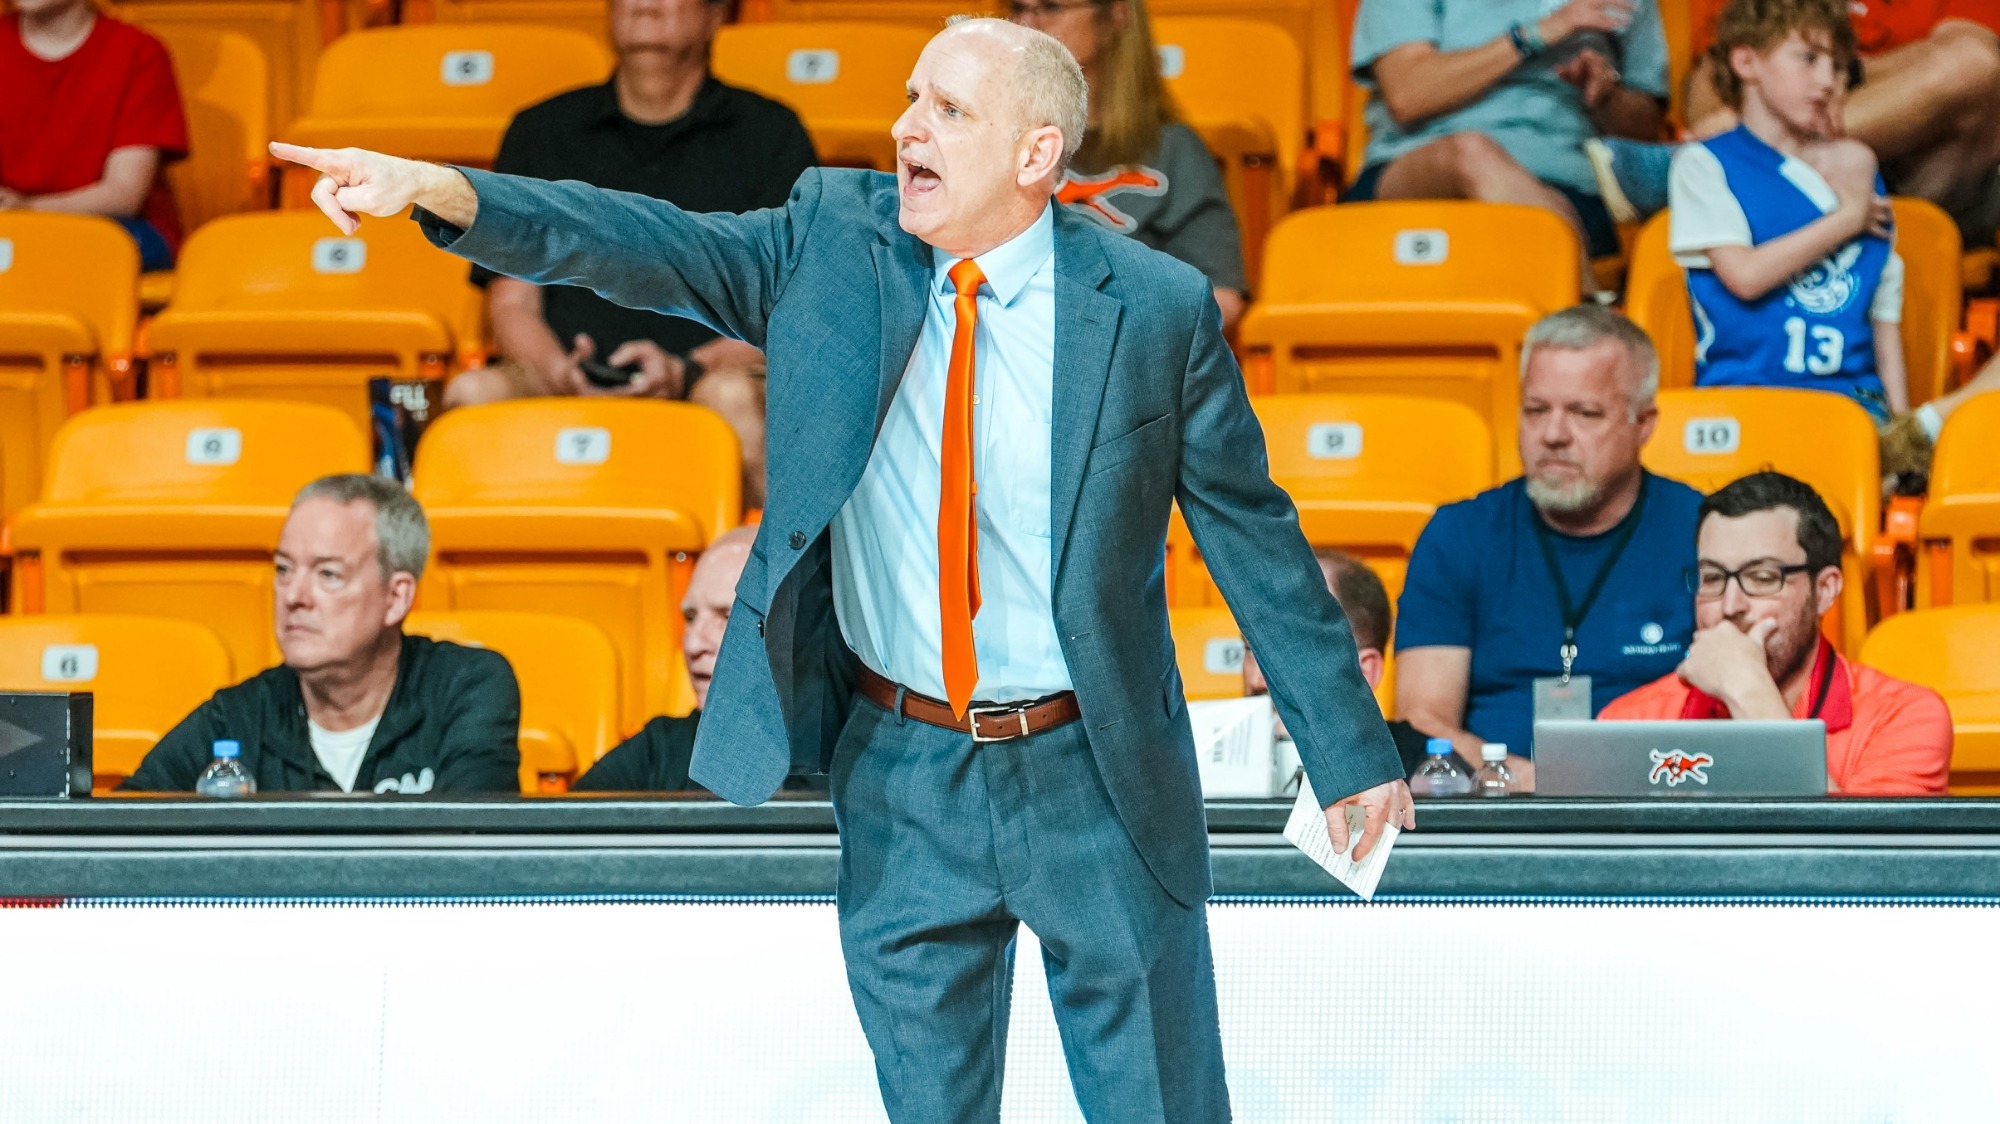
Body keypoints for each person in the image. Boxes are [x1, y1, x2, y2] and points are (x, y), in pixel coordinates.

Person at [272, 16, 1413, 1120]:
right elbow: (639, 238)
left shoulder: (1151, 308)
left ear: (1034, 154)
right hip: (901, 768)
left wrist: (1348, 747)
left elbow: (1252, 533)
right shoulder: (831, 242)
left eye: (948, 109)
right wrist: (441, 191)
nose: (906, 127)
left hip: (1097, 769)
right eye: (910, 97)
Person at [443, 0, 820, 507]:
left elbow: (786, 309)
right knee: (472, 397)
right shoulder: (542, 130)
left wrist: (687, 370)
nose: (644, 5)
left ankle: (766, 580)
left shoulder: (770, 135)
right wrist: (561, 372)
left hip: (704, 379)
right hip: (562, 380)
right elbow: (512, 304)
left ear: (717, 15)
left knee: (732, 398)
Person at [1396, 305, 1704, 790]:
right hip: (1494, 815)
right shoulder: (1459, 534)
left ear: (1643, 424)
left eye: (1585, 413)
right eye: (1536, 410)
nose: (1554, 434)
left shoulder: (1703, 533)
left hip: (1662, 806)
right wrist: (1540, 785)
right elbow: (1424, 723)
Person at [123, 475, 522, 795]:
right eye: (283, 569)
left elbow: (472, 852)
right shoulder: (238, 716)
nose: (294, 596)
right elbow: (114, 835)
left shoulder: (464, 687)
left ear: (396, 597)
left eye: (327, 574)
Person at [1601, 471, 1952, 795]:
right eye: (1712, 578)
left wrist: (1748, 692)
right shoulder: (1628, 723)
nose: (1730, 605)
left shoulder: (1902, 717)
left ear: (1825, 589)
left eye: (1762, 578)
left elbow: (1859, 860)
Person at [1669, 0, 1909, 424]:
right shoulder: (1706, 165)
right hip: (1744, 401)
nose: (1827, 82)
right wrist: (1846, 220)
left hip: (1849, 407)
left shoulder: (1856, 170)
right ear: (1746, 61)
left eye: (1837, 67)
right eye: (1808, 59)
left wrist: (1903, 429)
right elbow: (1744, 277)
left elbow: (1883, 317)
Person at [1594, 0, 2000, 243]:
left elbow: (1970, 63)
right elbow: (1714, 82)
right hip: (1783, 182)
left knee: (1975, 62)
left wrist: (1831, 80)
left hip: (1920, 176)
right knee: (1723, 67)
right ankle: (1739, 158)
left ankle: (1719, 162)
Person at [1347, 0, 1671, 291]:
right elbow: (1408, 94)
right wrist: (1535, 34)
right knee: (1472, 153)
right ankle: (1585, 324)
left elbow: (1643, 133)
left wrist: (1606, 94)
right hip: (1416, 170)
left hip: (1567, 181)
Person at [1012, 0, 1248, 330]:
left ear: (1116, 14)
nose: (1027, 24)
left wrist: (1128, 347)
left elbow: (1219, 297)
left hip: (1134, 355)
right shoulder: (994, 141)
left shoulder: (1173, 148)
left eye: (1050, 7)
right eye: (1016, 7)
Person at [1243, 547, 1473, 778]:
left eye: (1289, 651)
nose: (1256, 679)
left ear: (1363, 673)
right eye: (1250, 649)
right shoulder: (1208, 759)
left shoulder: (1430, 774)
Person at [0, 0, 189, 271]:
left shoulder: (138, 52)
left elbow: (124, 195)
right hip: (11, 228)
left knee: (38, 258)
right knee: (20, 256)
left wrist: (27, 209)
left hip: (117, 226)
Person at [571, 525, 749, 792]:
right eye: (690, 618)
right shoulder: (655, 754)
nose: (693, 643)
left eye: (726, 617)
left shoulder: (831, 761)